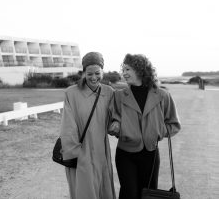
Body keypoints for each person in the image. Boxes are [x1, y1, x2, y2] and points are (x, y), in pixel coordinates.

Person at [108, 53, 181, 199]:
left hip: (151, 154)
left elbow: (173, 124)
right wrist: (117, 127)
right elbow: (111, 120)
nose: (124, 73)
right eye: (124, 69)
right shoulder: (119, 96)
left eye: (128, 69)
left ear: (140, 70)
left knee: (148, 193)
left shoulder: (162, 95)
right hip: (125, 154)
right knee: (129, 193)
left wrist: (158, 131)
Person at [60, 52, 116, 199]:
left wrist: (117, 123)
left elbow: (115, 118)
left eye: (97, 73)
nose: (93, 77)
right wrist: (76, 153)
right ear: (84, 73)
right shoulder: (71, 93)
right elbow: (68, 126)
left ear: (102, 72)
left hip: (102, 153)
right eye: (89, 73)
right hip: (80, 152)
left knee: (103, 190)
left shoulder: (109, 92)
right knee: (84, 192)